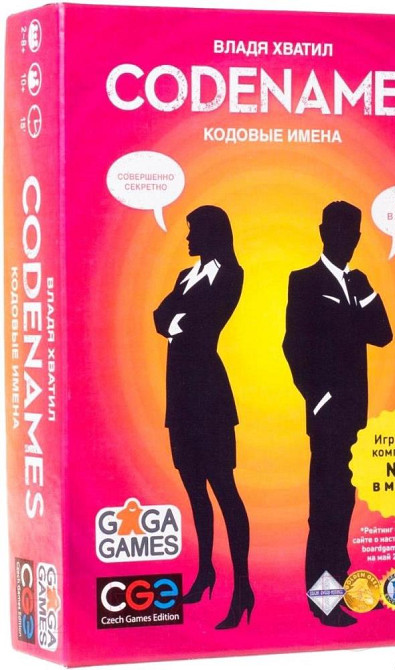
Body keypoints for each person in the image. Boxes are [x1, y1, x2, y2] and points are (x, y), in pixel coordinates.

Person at [283, 201, 393, 627]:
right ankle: (323, 600)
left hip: (354, 415)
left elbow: (382, 335)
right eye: (339, 231)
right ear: (323, 232)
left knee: (343, 502)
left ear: (358, 238)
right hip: (327, 415)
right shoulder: (304, 281)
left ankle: (344, 586)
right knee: (325, 506)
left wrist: (366, 290)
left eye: (353, 233)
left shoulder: (357, 283)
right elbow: (293, 344)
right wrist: (317, 397)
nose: (347, 239)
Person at [153, 205, 254, 630]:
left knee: (224, 489)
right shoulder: (185, 276)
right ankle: (206, 572)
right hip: (179, 397)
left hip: (210, 398)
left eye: (193, 231)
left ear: (212, 233)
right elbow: (159, 317)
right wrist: (177, 322)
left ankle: (242, 587)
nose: (187, 238)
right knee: (195, 490)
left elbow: (202, 324)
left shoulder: (231, 274)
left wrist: (176, 322)